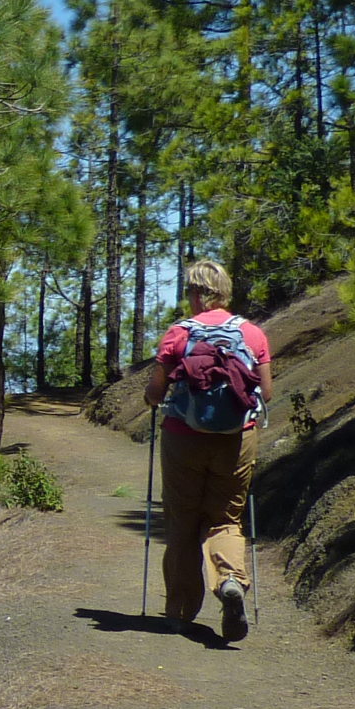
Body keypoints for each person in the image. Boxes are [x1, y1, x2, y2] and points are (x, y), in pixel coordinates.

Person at [141, 259, 272, 640]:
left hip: (183, 435)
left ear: (198, 293)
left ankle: (180, 612)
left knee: (182, 519)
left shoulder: (179, 334)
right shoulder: (251, 334)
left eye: (188, 291)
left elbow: (155, 391)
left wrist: (152, 399)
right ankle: (230, 580)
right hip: (236, 437)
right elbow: (266, 392)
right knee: (226, 517)